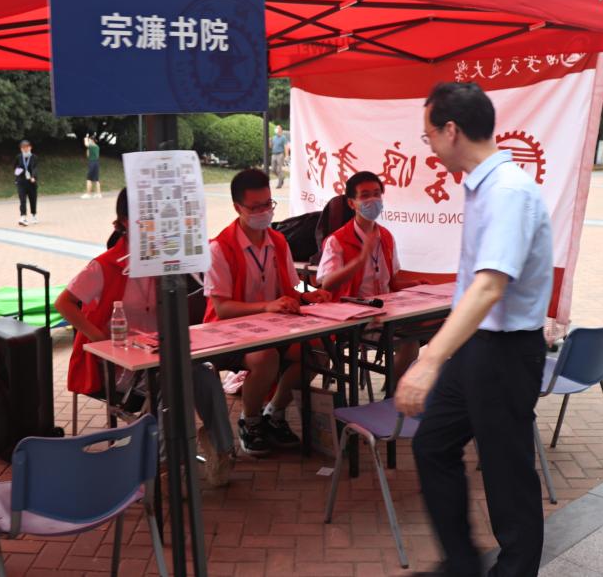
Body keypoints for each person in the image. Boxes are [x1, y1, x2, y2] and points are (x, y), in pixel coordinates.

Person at [397, 82, 553, 577]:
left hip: (506, 352)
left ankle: (516, 569)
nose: (429, 148)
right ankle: (461, 564)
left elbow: (489, 287)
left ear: (451, 130)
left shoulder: (507, 191)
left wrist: (429, 359)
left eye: (428, 137)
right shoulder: (483, 186)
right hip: (477, 347)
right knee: (432, 445)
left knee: (506, 471)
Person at [56, 189, 235, 487]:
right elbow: (64, 303)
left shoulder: (165, 262)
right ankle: (165, 464)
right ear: (125, 221)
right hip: (118, 367)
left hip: (158, 357)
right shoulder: (105, 266)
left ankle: (221, 447)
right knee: (169, 382)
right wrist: (100, 339)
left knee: (203, 375)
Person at [204, 167, 332, 458]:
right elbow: (222, 309)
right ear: (238, 207)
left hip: (272, 327)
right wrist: (267, 306)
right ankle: (250, 421)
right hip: (226, 333)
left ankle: (274, 413)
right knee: (266, 357)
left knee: (315, 351)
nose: (264, 211)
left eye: (269, 204)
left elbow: (287, 290)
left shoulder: (277, 241)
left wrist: (307, 296)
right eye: (256, 206)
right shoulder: (220, 248)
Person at [317, 170, 431, 380]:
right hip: (351, 318)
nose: (373, 200)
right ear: (352, 203)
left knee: (417, 337)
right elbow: (327, 284)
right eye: (365, 195)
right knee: (410, 343)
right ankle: (392, 395)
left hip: (385, 313)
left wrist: (415, 284)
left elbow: (393, 282)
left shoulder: (386, 236)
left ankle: (392, 393)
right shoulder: (337, 240)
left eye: (377, 193)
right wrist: (360, 260)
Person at [15, 139, 38, 225]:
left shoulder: (34, 157)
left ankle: (34, 215)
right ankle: (23, 217)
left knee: (33, 199)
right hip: (21, 182)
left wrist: (33, 176)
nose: (25, 149)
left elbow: (35, 168)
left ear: (30, 148)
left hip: (32, 182)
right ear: (21, 149)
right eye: (23, 148)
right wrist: (17, 174)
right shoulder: (18, 157)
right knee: (22, 200)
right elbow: (16, 167)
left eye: (26, 147)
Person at [269, 123, 289, 188]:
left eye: (278, 128)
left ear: (280, 130)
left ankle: (279, 184)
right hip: (274, 154)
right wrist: (269, 141)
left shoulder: (283, 138)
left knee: (279, 169)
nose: (276, 129)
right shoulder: (274, 137)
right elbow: (271, 146)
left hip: (280, 154)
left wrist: (286, 155)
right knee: (273, 170)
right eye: (276, 128)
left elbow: (286, 147)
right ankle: (282, 177)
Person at [83, 132, 101, 199]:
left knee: (88, 179)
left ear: (92, 141)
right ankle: (99, 194)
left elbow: (86, 144)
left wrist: (86, 138)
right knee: (96, 180)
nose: (89, 141)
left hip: (92, 163)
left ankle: (88, 194)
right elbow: (88, 155)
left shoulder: (92, 146)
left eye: (90, 140)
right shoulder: (97, 147)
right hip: (96, 163)